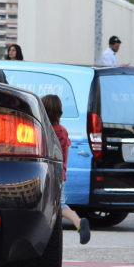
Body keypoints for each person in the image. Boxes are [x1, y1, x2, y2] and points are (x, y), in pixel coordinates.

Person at [42, 94, 90, 245]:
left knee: (49, 205)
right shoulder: (62, 131)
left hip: (46, 174)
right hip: (60, 174)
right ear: (59, 112)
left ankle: (75, 223)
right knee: (58, 205)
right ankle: (77, 222)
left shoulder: (44, 130)